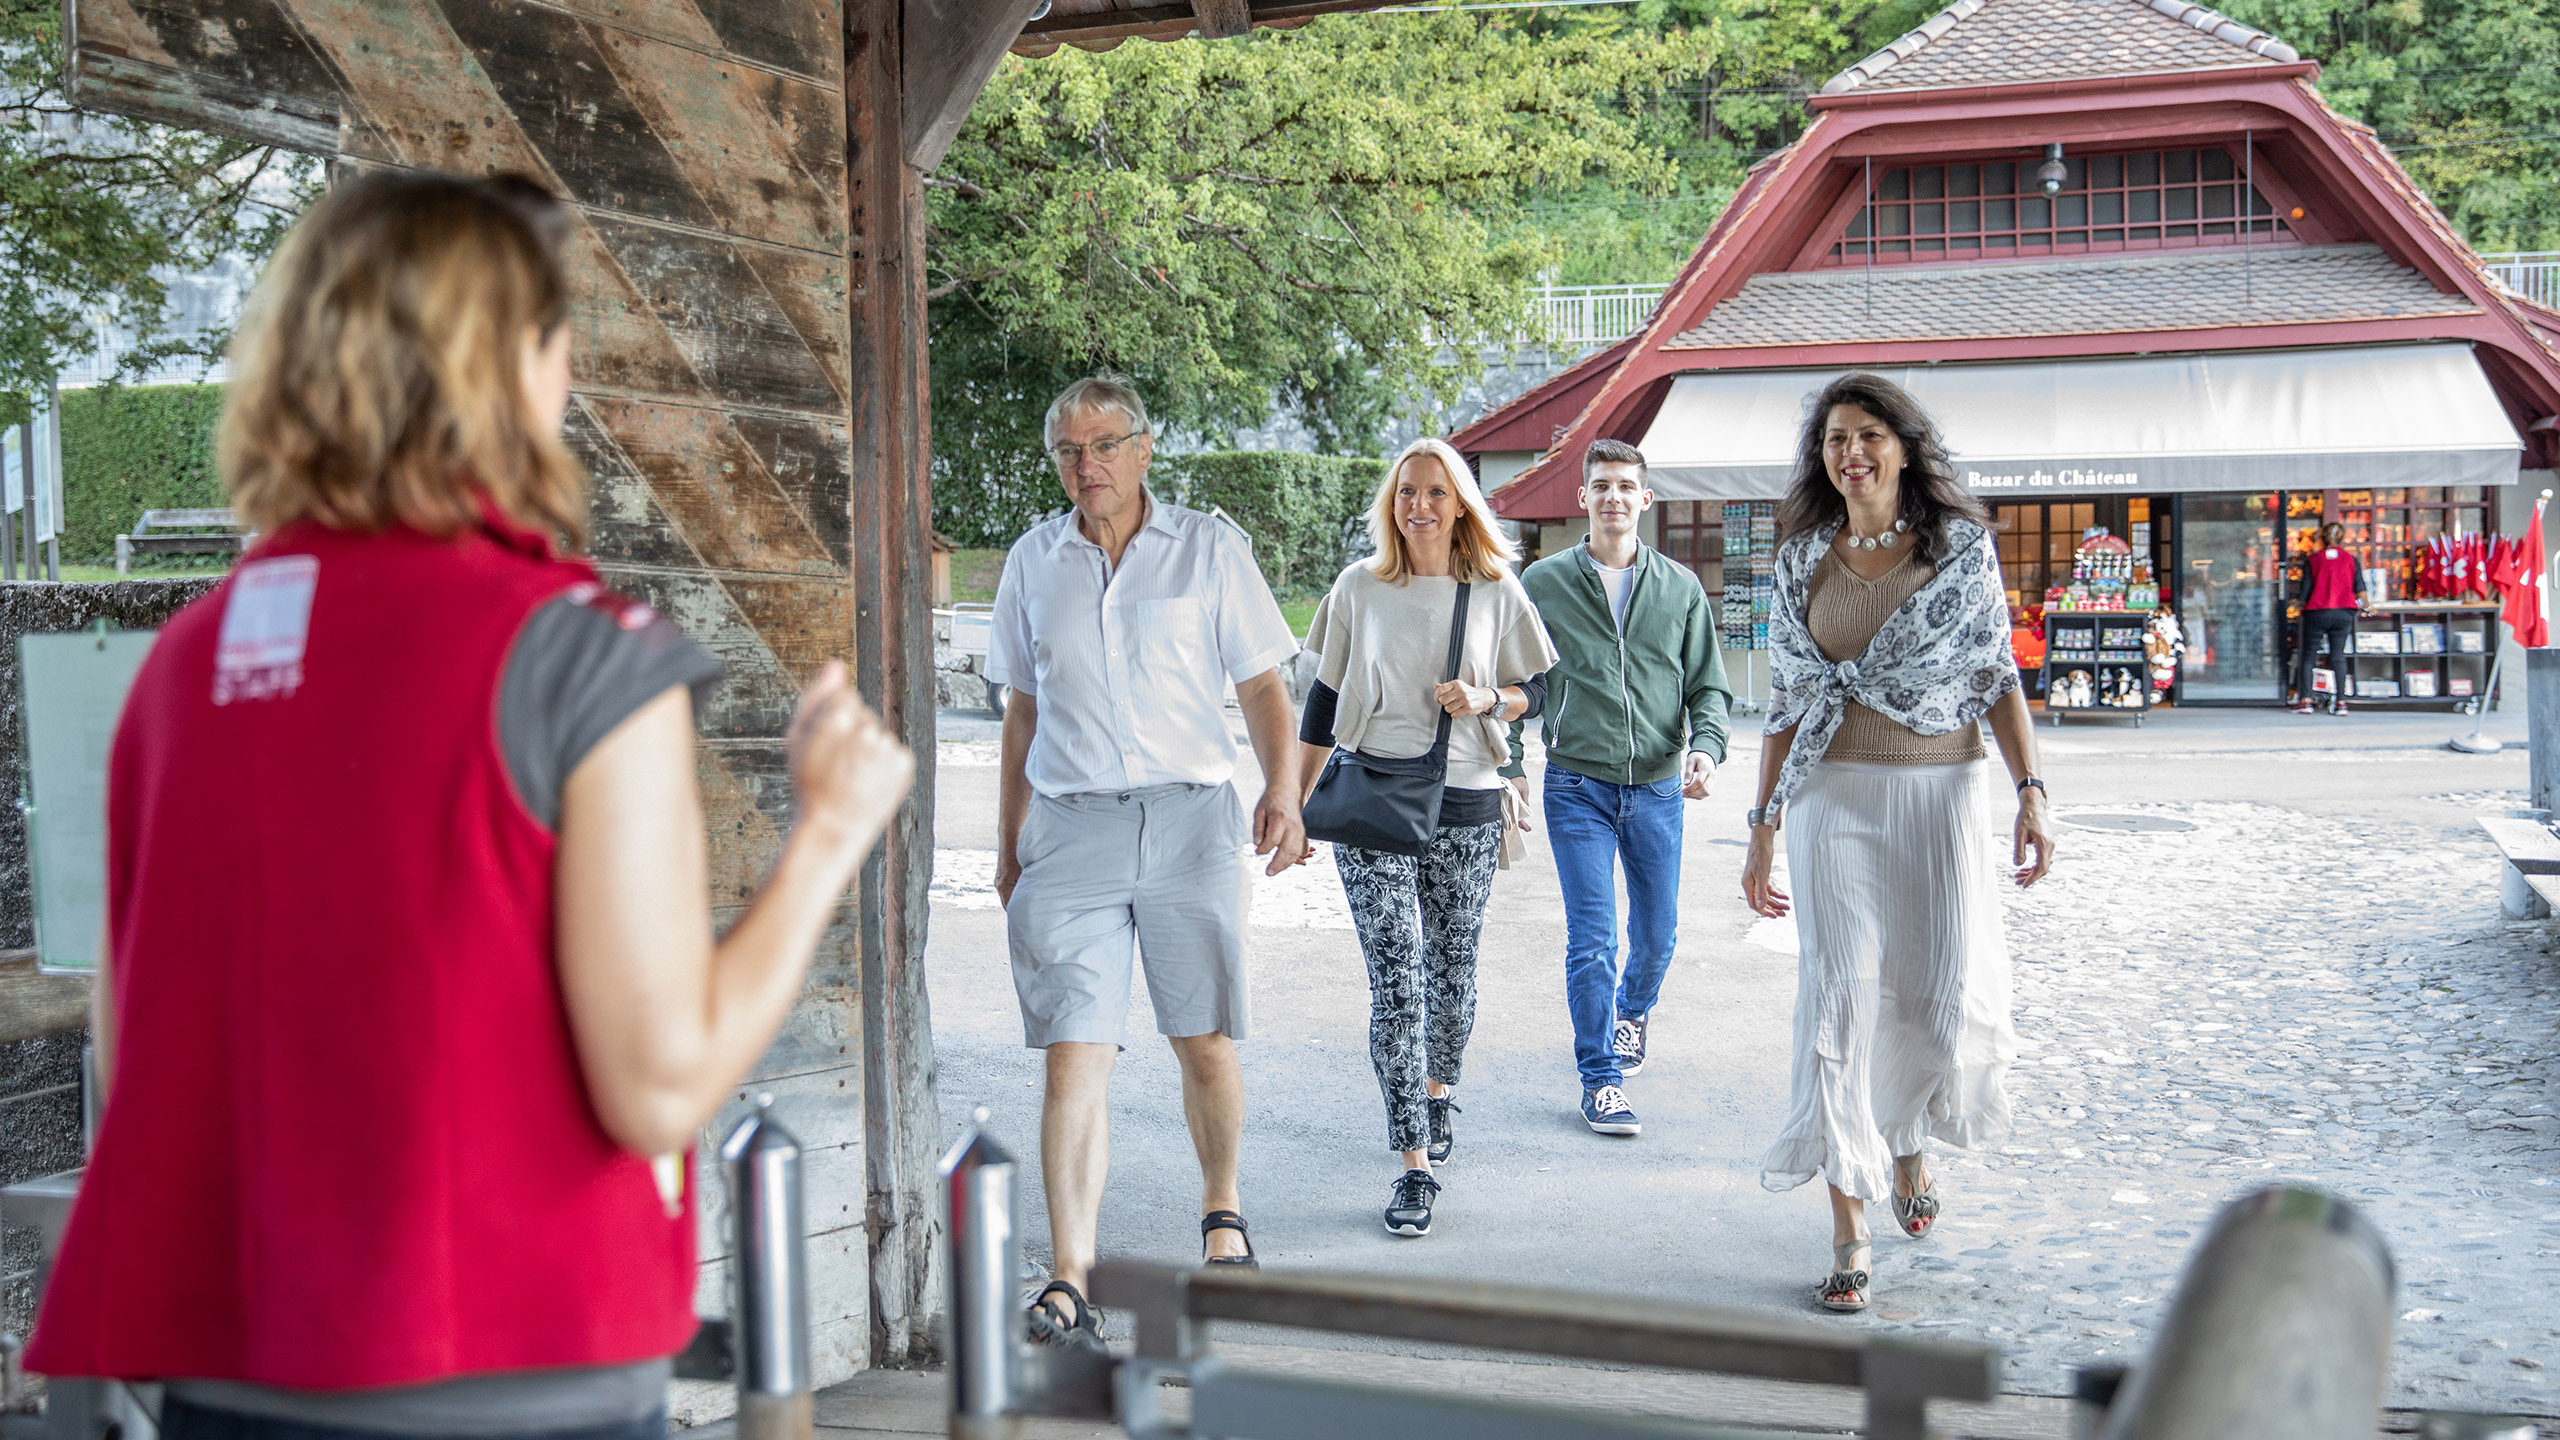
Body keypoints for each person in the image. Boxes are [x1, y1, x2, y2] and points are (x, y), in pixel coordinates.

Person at [26, 172, 915, 1440]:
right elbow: (659, 1088)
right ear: (517, 365)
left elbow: (132, 1059)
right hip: (516, 1379)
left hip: (231, 1377)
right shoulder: (579, 655)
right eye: (559, 344)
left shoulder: (184, 666)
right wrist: (829, 832)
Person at [987, 376, 1305, 1352]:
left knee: (1202, 1037)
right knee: (1072, 1055)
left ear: (1144, 449)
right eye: (1069, 452)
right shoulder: (1032, 564)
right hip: (1070, 830)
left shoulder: (1209, 550)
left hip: (1189, 822)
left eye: (1104, 445)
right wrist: (1006, 848)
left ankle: (1222, 1211)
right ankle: (1069, 1277)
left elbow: (1262, 685)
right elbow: (1020, 715)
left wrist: (1283, 791)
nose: (1087, 467)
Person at [1738, 373, 2055, 1315]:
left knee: (1930, 1001)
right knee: (1836, 1000)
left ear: (1904, 447)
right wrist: (1760, 829)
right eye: (1836, 438)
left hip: (1940, 796)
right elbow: (1787, 702)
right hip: (1832, 800)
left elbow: (1996, 674)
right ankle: (1849, 1224)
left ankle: (1904, 1141)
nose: (1852, 453)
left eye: (1869, 434)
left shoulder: (1959, 551)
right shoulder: (1800, 561)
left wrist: (2032, 793)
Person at [1298, 437, 1557, 1238]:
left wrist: (1488, 698)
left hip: (1468, 800)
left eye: (1437, 493)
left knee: (1451, 971)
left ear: (1460, 505)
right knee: (1397, 980)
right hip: (1374, 799)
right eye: (1407, 491)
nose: (1420, 506)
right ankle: (1412, 1158)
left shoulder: (1493, 590)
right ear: (1391, 502)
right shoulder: (1359, 588)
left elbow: (1544, 688)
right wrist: (1288, 800)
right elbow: (1320, 700)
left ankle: (1439, 1088)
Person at [1507, 438, 1730, 1138]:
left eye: (1625, 486)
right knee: (1592, 938)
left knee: (1657, 937)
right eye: (1600, 485)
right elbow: (1523, 684)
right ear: (1584, 499)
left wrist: (1708, 750)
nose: (1612, 497)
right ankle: (1599, 1078)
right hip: (1577, 785)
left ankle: (1633, 1014)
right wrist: (1510, 763)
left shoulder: (1680, 589)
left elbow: (1708, 686)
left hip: (1660, 788)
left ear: (1644, 499)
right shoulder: (1542, 584)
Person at [2292, 522, 2365, 715]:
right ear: (2342, 538)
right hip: (2343, 612)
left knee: (2308, 656)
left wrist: (2299, 604)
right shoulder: (2350, 559)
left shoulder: (2314, 560)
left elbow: (2305, 589)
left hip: (2317, 611)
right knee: (2338, 657)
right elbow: (2360, 587)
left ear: (2322, 538)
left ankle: (2306, 701)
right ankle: (2341, 702)